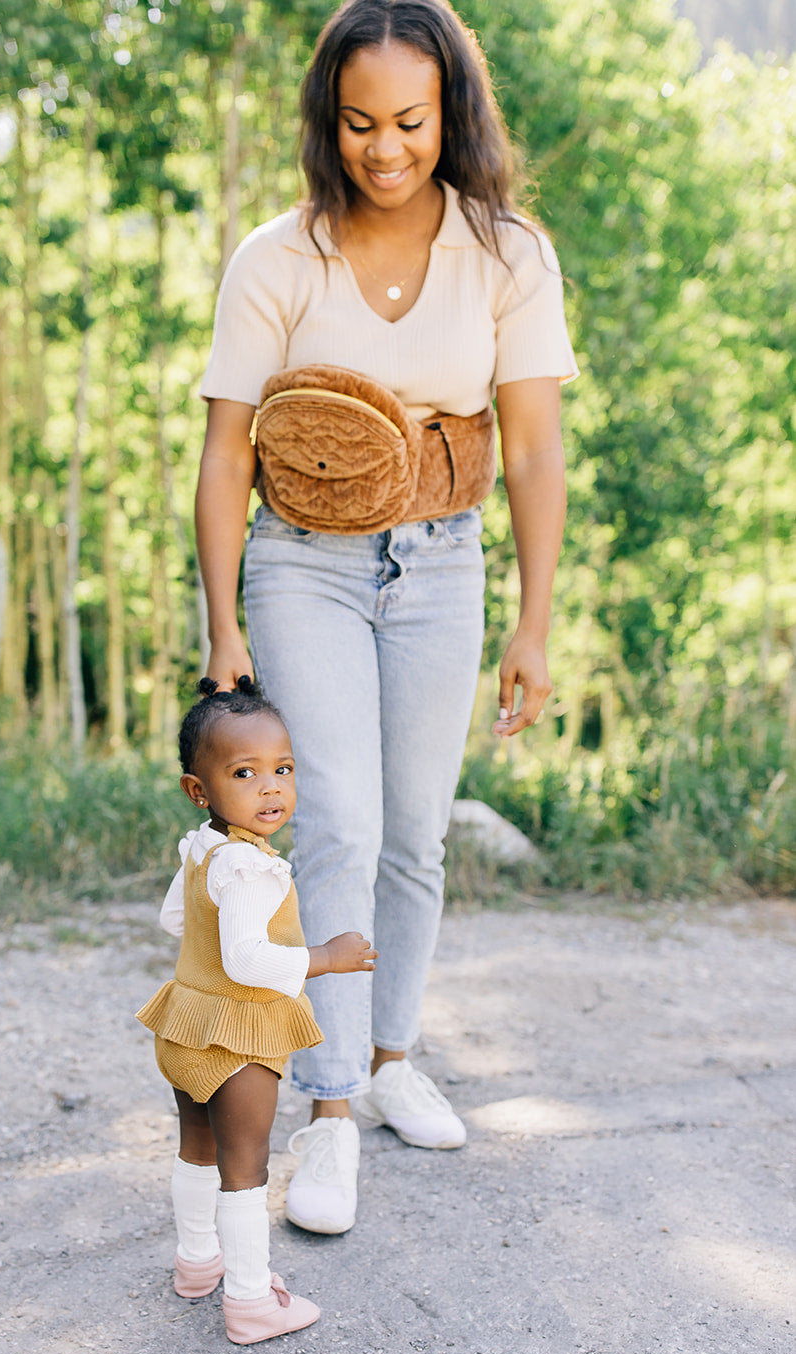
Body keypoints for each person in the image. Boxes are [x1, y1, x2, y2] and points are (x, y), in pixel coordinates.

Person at [194, 0, 577, 1234]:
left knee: (416, 832)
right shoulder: (276, 255)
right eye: (357, 123)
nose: (384, 147)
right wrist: (222, 626)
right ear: (327, 123)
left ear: (450, 115)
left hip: (443, 560)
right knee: (339, 825)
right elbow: (219, 453)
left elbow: (529, 452)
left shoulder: (508, 253)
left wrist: (534, 621)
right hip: (301, 562)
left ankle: (390, 1058)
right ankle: (326, 1118)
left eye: (408, 121)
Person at [136, 678, 378, 1344]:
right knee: (245, 1170)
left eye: (282, 769)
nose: (270, 787)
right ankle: (247, 1300)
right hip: (237, 1038)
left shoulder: (201, 847)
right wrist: (325, 957)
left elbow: (171, 918)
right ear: (199, 789)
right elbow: (246, 962)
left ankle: (195, 1263)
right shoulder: (252, 868)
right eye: (244, 773)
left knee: (196, 1149)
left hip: (185, 1021)